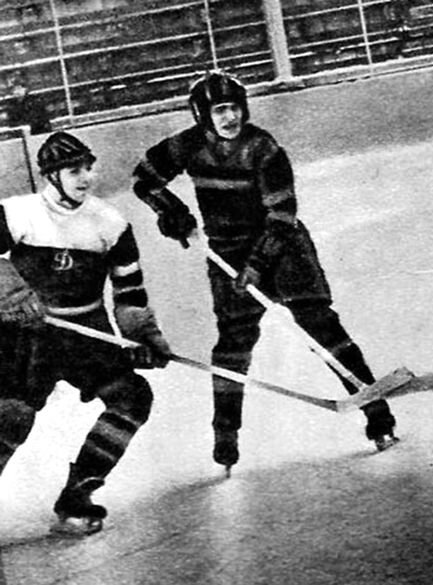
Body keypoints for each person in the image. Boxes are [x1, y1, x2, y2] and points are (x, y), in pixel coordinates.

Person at [130, 71, 399, 470]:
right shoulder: (187, 145)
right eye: (220, 110)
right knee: (232, 345)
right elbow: (143, 179)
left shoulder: (264, 148)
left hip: (283, 248)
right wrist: (172, 212)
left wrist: (256, 266)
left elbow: (283, 216)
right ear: (202, 115)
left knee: (320, 326)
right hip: (227, 253)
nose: (230, 118)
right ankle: (225, 435)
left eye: (234, 108)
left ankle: (378, 414)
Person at [0, 131, 171, 535]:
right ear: (52, 176)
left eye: (88, 168)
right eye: (74, 171)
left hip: (87, 334)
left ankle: (78, 493)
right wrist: (12, 292)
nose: (86, 178)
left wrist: (143, 337)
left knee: (132, 397)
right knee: (13, 417)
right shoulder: (18, 213)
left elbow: (129, 294)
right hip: (30, 336)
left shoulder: (111, 223)